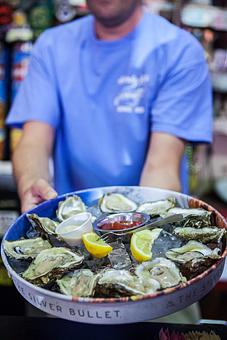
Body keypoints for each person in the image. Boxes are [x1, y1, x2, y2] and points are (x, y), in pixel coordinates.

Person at [7, 0, 212, 323]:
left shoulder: (177, 49)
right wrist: (30, 181)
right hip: (67, 245)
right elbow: (33, 139)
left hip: (150, 247)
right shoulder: (53, 44)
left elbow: (162, 164)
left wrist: (134, 252)